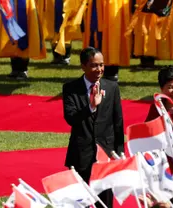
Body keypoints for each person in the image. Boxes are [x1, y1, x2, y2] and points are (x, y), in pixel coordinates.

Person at [62, 47, 124, 208]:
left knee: (105, 202)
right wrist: (90, 107)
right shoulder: (71, 89)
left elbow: (118, 121)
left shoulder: (111, 87)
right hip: (81, 154)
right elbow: (71, 118)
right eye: (94, 65)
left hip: (106, 154)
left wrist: (119, 151)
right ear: (83, 66)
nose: (99, 69)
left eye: (102, 65)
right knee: (80, 201)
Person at [0, 0, 46, 80]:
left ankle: (23, 69)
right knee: (10, 36)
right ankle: (15, 69)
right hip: (7, 3)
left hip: (25, 4)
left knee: (25, 32)